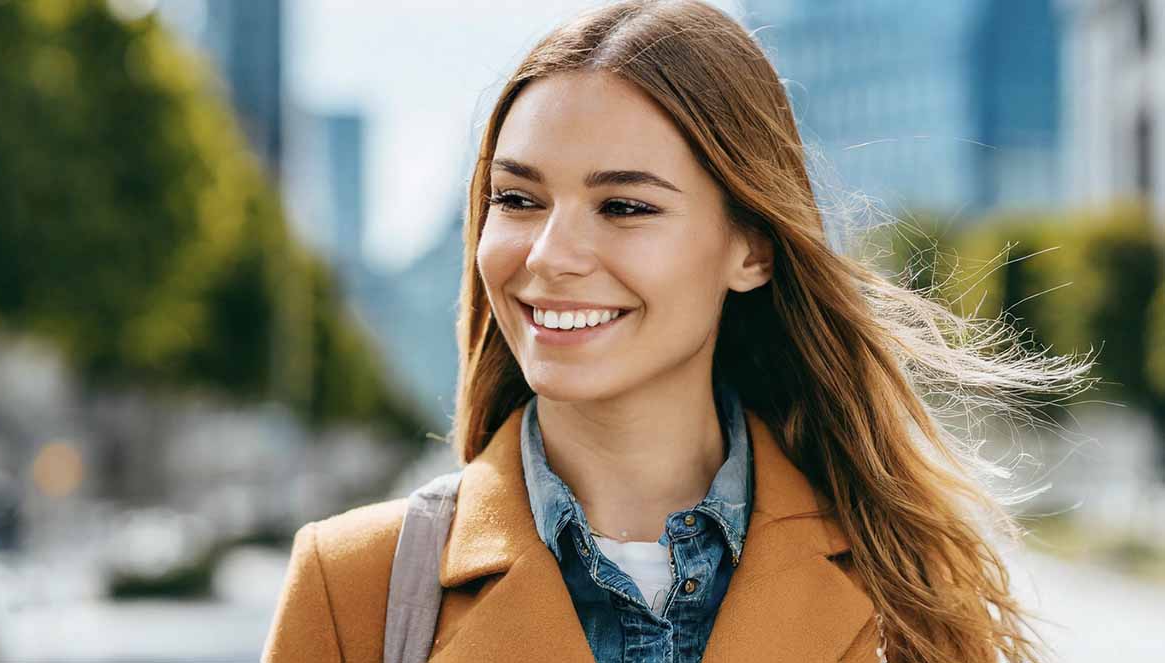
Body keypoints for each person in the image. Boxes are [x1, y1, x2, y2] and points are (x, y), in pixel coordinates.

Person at [262, 1, 1090, 662]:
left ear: (752, 246)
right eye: (517, 199)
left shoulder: (906, 590)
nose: (549, 256)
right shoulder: (354, 587)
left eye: (623, 206)